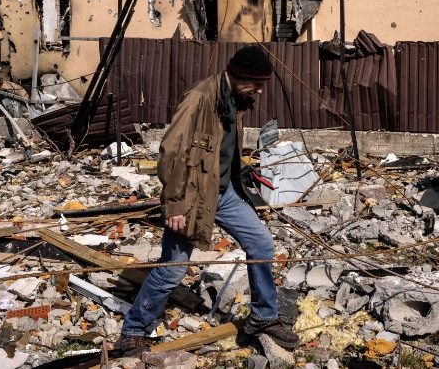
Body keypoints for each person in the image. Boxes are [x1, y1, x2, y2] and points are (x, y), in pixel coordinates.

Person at [113, 46, 300, 356]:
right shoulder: (200, 98)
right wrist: (174, 203)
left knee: (262, 244)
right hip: (191, 198)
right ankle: (133, 331)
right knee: (173, 268)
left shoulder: (234, 101)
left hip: (224, 193)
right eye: (257, 82)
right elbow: (171, 151)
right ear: (239, 76)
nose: (261, 90)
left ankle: (263, 317)